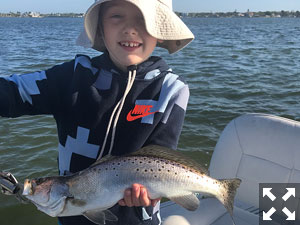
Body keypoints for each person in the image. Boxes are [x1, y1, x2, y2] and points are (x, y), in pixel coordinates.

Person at [0, 0, 194, 224]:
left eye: (143, 18)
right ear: (100, 27)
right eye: (117, 16)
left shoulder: (171, 89)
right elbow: (14, 92)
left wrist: (154, 192)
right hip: (71, 218)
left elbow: (163, 159)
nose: (130, 28)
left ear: (160, 31)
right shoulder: (71, 78)